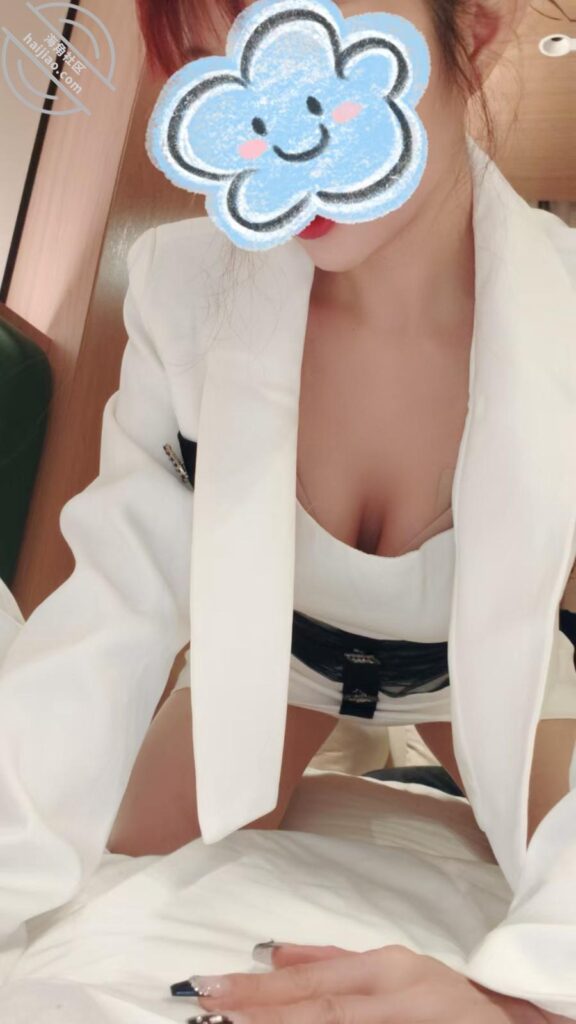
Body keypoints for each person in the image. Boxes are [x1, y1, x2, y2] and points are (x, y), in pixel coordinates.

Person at [0, 0, 575, 1021]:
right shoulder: (182, 289)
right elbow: (107, 623)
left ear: (476, 31)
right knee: (108, 874)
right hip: (283, 664)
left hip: (483, 681)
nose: (265, 133)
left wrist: (513, 1006)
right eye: (213, 63)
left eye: (303, 46)